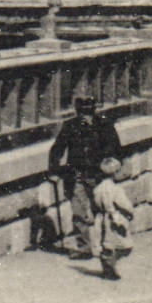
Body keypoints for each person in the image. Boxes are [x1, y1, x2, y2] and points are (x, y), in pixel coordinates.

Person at [47, 95, 123, 260]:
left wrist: (112, 164)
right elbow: (57, 149)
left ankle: (106, 246)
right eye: (82, 112)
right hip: (77, 176)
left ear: (94, 110)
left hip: (99, 177)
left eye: (89, 112)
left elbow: (117, 149)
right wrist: (54, 171)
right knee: (79, 213)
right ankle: (84, 247)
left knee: (103, 212)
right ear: (77, 111)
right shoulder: (70, 126)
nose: (85, 116)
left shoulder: (104, 124)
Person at [93, 156, 135, 280]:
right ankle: (110, 266)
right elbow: (124, 204)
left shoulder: (98, 189)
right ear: (115, 173)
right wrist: (130, 211)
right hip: (114, 219)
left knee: (106, 244)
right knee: (124, 244)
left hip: (102, 218)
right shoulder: (115, 189)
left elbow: (96, 204)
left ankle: (107, 266)